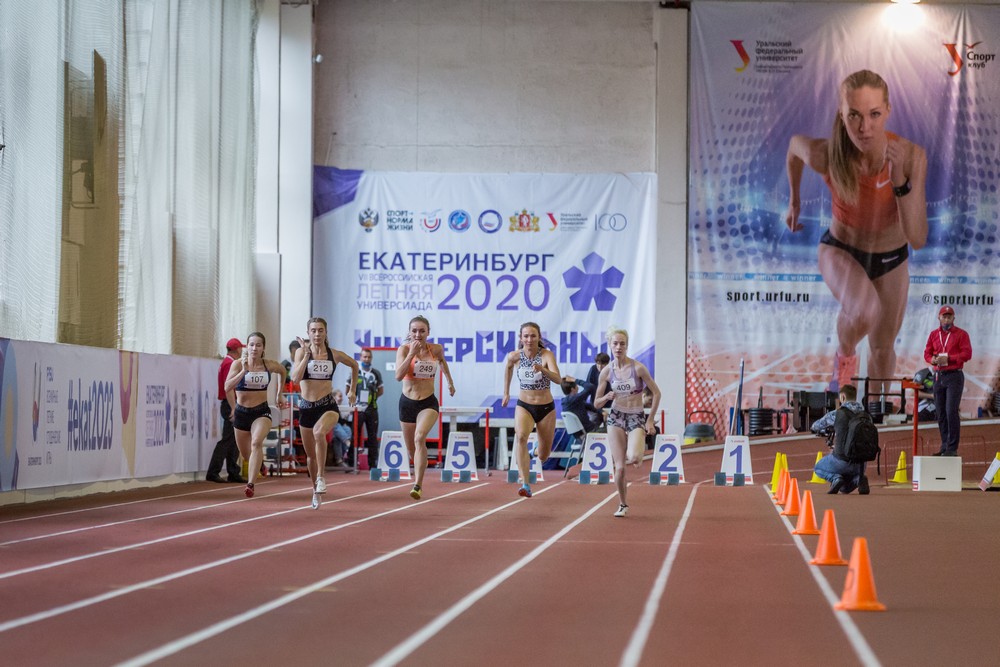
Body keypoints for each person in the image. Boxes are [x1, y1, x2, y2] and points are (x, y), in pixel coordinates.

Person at [786, 69, 928, 396]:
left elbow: (918, 238)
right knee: (864, 312)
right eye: (854, 115)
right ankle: (844, 358)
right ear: (841, 113)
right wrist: (794, 201)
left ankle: (876, 415)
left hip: (891, 258)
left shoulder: (911, 156)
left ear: (888, 111)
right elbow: (794, 147)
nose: (864, 128)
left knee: (882, 348)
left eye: (874, 114)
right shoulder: (827, 155)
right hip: (842, 249)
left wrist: (899, 182)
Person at [290, 317, 358, 508]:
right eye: (313, 330)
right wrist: (306, 356)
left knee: (319, 433)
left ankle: (321, 477)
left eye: (320, 330)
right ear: (308, 333)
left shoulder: (333, 354)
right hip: (306, 408)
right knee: (310, 456)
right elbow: (295, 379)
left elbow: (354, 364)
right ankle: (315, 489)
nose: (317, 334)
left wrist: (352, 390)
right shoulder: (301, 352)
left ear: (326, 332)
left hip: (327, 406)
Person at [594, 327, 661, 517]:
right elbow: (596, 403)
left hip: (635, 415)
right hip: (616, 416)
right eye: (615, 343)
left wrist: (649, 421)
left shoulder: (637, 368)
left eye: (622, 344)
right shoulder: (606, 372)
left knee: (633, 457)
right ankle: (623, 504)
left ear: (627, 346)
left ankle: (637, 450)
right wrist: (606, 396)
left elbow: (657, 393)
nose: (618, 347)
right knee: (620, 467)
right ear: (610, 345)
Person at [394, 315, 455, 500]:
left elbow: (442, 362)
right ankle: (420, 463)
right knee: (412, 450)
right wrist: (411, 354)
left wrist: (450, 382)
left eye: (422, 331)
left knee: (420, 437)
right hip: (407, 403)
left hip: (428, 402)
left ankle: (418, 485)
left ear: (428, 332)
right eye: (414, 331)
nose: (418, 334)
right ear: (409, 332)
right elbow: (398, 376)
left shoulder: (436, 349)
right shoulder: (404, 350)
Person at [501, 322, 562, 498]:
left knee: (543, 455)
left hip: (545, 408)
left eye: (533, 336)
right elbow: (508, 368)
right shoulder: (514, 356)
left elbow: (558, 379)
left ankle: (534, 451)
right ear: (521, 338)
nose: (529, 339)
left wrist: (542, 369)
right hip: (524, 405)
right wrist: (506, 393)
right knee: (520, 437)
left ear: (539, 337)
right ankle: (525, 484)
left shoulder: (547, 355)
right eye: (526, 336)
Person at [224, 332, 287, 499]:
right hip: (241, 413)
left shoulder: (268, 365)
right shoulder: (238, 364)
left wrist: (280, 394)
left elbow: (282, 371)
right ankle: (260, 465)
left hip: (261, 412)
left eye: (258, 345)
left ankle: (250, 484)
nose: (254, 348)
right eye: (251, 345)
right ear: (247, 347)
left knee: (256, 442)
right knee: (247, 455)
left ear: (263, 348)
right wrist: (243, 372)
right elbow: (227, 387)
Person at [923, 306, 972, 456]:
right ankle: (944, 446)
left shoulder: (961, 334)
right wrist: (932, 360)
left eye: (949, 316)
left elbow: (967, 354)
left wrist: (950, 358)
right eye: (944, 316)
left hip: (954, 376)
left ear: (953, 318)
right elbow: (927, 353)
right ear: (939, 318)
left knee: (951, 411)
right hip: (938, 375)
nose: (946, 319)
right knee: (941, 412)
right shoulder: (933, 334)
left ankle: (952, 447)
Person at [811, 384, 870, 494]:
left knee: (818, 467)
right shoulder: (866, 415)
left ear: (843, 397)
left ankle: (835, 478)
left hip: (842, 460)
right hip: (861, 464)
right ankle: (858, 478)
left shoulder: (837, 414)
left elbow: (815, 426)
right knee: (844, 489)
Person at [206, 338, 247, 484]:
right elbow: (228, 387)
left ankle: (232, 471)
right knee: (228, 439)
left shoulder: (227, 363)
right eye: (241, 348)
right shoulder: (229, 364)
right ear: (236, 349)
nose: (242, 351)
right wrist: (234, 407)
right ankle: (213, 471)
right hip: (230, 404)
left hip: (230, 403)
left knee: (234, 439)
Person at [353, 347, 383, 468]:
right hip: (357, 409)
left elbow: (381, 390)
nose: (367, 359)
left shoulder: (376, 373)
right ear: (361, 357)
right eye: (364, 357)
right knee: (354, 435)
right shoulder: (355, 371)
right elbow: (348, 389)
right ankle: (352, 462)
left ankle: (372, 463)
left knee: (372, 436)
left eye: (369, 357)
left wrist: (372, 399)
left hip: (372, 409)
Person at [331, 388, 353, 466]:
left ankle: (340, 459)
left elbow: (340, 421)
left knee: (347, 429)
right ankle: (347, 442)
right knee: (336, 425)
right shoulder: (330, 407)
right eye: (340, 396)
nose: (342, 399)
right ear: (334, 397)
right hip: (330, 430)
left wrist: (347, 415)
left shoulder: (339, 408)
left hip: (336, 433)